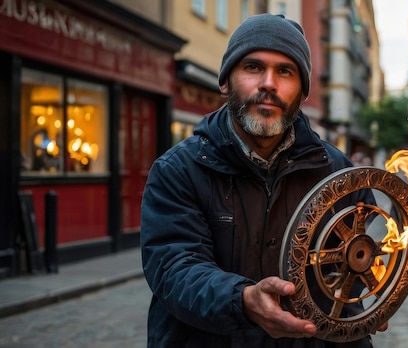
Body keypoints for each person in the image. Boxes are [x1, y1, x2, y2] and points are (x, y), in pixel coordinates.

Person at [140, 14, 381, 347]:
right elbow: (175, 268)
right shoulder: (177, 170)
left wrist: (358, 319)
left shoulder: (338, 174)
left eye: (285, 71)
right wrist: (243, 300)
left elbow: (347, 280)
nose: (269, 83)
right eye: (253, 67)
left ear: (303, 91)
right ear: (225, 81)